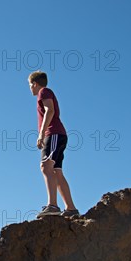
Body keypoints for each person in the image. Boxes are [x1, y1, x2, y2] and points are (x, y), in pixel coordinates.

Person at [28, 71, 79, 218]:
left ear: (35, 84)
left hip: (53, 134)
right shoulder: (45, 92)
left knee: (45, 166)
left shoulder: (43, 92)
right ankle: (70, 209)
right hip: (59, 134)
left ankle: (53, 206)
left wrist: (41, 134)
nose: (30, 88)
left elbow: (50, 110)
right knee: (56, 171)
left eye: (30, 85)